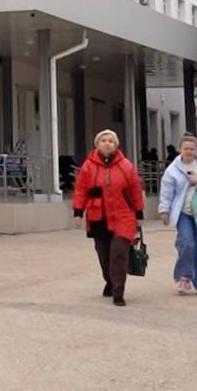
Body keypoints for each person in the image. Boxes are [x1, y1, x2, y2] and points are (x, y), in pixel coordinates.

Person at [72, 129, 145, 307]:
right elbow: (80, 190)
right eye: (103, 140)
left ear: (116, 145)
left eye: (111, 141)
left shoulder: (126, 166)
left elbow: (135, 190)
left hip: (123, 216)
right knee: (103, 255)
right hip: (98, 216)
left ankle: (118, 291)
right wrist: (78, 211)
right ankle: (110, 281)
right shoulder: (88, 166)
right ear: (97, 145)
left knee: (118, 254)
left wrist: (139, 213)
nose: (107, 143)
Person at [158, 134, 197, 295]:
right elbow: (166, 191)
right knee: (186, 244)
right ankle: (184, 277)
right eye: (186, 148)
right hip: (183, 212)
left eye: (192, 149)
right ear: (181, 149)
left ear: (196, 150)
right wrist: (164, 210)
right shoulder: (173, 169)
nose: (189, 151)